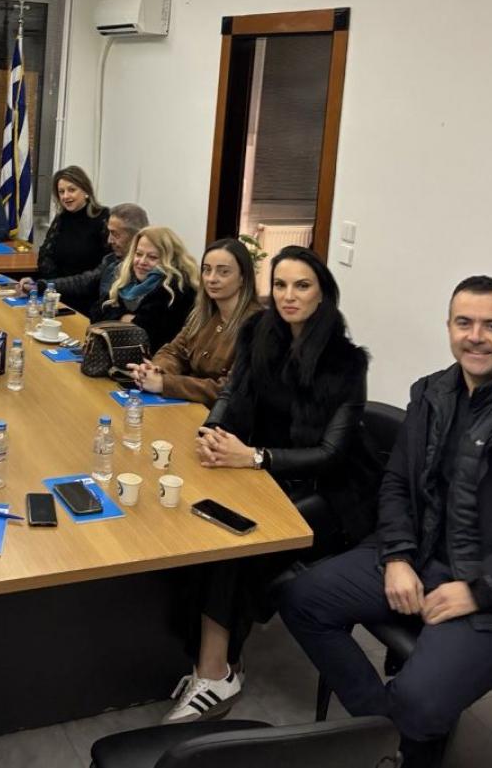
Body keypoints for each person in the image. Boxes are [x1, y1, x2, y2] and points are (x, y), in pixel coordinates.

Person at [280, 276, 492, 768]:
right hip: (419, 553)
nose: (475, 336)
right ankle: (389, 735)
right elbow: (395, 483)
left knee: (419, 701)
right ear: (449, 328)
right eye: (464, 323)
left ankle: (402, 734)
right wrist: (396, 556)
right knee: (299, 597)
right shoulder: (434, 392)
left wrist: (478, 591)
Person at [164, 246, 379, 724]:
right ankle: (214, 660)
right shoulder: (258, 332)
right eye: (280, 284)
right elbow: (233, 391)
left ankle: (215, 673)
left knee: (236, 543)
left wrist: (255, 456)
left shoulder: (346, 362)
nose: (288, 295)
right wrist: (212, 431)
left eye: (302, 285)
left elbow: (333, 454)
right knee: (198, 523)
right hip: (265, 472)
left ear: (323, 294)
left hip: (330, 492)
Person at [128, 238, 261, 406]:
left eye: (223, 272)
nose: (211, 279)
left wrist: (165, 383)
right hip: (189, 406)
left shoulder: (257, 326)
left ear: (243, 278)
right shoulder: (202, 315)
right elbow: (173, 352)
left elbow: (228, 389)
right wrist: (154, 370)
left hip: (222, 416)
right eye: (207, 270)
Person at [16, 202, 149, 319]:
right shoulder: (111, 261)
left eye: (115, 234)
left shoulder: (145, 271)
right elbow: (82, 282)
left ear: (136, 236)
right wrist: (41, 285)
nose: (109, 240)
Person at [98, 226, 199, 354]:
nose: (142, 262)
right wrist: (126, 318)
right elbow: (97, 312)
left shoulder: (176, 290)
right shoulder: (127, 278)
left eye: (152, 257)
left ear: (170, 260)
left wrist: (116, 318)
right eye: (138, 254)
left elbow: (148, 335)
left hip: (154, 361)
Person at [36, 166, 109, 313]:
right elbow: (45, 257)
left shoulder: (103, 218)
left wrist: (52, 285)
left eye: (71, 190)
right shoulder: (61, 218)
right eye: (61, 192)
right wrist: (46, 284)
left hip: (88, 300)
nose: (65, 196)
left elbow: (104, 269)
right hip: (58, 296)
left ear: (86, 191)